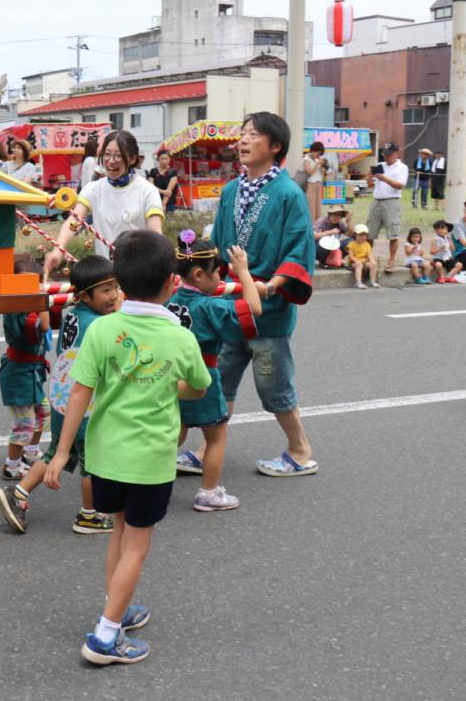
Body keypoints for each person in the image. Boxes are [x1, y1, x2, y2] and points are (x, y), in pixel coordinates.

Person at [43, 229, 211, 666]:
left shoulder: (104, 328)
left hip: (104, 455)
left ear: (119, 280)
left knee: (118, 529)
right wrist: (169, 387)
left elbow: (79, 392)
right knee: (137, 543)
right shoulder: (179, 337)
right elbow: (199, 387)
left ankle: (114, 606)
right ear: (174, 283)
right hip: (149, 459)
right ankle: (106, 635)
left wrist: (61, 453)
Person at [209, 112, 317, 478]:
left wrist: (271, 286)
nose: (242, 140)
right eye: (242, 133)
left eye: (253, 135)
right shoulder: (230, 190)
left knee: (274, 385)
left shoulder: (288, 193)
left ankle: (300, 450)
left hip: (268, 306)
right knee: (217, 380)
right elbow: (216, 245)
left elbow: (299, 248)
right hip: (229, 304)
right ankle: (209, 452)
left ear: (275, 146)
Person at [0, 255, 119, 535]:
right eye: (106, 290)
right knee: (92, 461)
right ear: (86, 295)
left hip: (64, 396)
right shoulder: (99, 326)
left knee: (55, 452)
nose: (114, 296)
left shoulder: (73, 313)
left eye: (115, 288)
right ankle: (90, 515)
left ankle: (19, 493)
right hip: (85, 402)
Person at [168, 234, 264, 511]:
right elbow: (254, 308)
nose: (221, 280)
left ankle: (146, 483)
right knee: (216, 436)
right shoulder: (209, 307)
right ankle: (208, 493)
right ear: (198, 274)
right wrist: (243, 273)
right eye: (218, 273)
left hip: (170, 378)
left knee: (174, 433)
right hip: (202, 377)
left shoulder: (171, 299)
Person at [44, 130, 164, 275]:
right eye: (107, 154)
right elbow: (74, 221)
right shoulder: (93, 189)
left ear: (132, 159)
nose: (111, 160)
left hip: (138, 273)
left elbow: (156, 235)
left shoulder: (147, 191)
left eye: (118, 155)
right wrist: (58, 248)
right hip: (105, 275)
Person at [0, 260, 50, 481]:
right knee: (24, 424)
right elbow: (43, 326)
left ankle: (30, 452)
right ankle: (11, 466)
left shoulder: (28, 305)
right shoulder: (16, 309)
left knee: (43, 413)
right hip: (18, 373)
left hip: (32, 371)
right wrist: (42, 300)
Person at [366, 143, 408, 272]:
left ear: (396, 153)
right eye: (385, 154)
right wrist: (370, 176)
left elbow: (400, 185)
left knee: (393, 234)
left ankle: (391, 261)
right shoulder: (380, 166)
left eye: (389, 154)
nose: (386, 156)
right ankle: (369, 259)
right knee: (369, 233)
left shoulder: (402, 167)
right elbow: (369, 185)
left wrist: (384, 178)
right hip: (376, 200)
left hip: (392, 202)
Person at [348, 224, 380, 289]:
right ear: (355, 235)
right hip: (354, 263)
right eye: (360, 235)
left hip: (364, 262)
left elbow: (369, 255)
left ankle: (372, 281)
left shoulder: (367, 244)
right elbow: (350, 256)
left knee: (373, 264)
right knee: (359, 264)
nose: (362, 237)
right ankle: (358, 282)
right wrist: (356, 261)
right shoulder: (351, 244)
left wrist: (372, 260)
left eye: (364, 235)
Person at [301, 141, 327, 221]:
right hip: (310, 185)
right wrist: (317, 164)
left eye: (320, 154)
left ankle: (317, 225)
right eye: (318, 153)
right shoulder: (306, 159)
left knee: (318, 207)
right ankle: (310, 226)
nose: (318, 156)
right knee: (311, 207)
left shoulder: (316, 159)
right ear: (313, 150)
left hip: (318, 185)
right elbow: (309, 172)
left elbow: (321, 174)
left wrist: (323, 166)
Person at [148, 148, 179, 213]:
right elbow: (151, 187)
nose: (164, 161)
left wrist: (163, 204)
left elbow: (169, 190)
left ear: (169, 159)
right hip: (155, 201)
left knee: (169, 221)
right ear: (158, 159)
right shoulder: (153, 171)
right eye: (162, 159)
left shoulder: (173, 171)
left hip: (169, 202)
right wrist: (164, 192)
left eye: (166, 159)